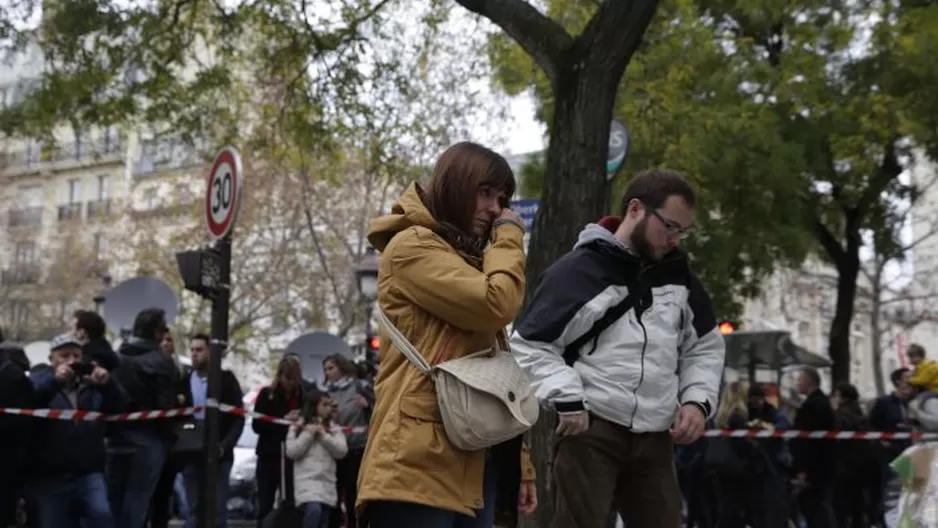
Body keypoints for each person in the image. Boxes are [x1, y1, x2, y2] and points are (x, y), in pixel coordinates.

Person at [511, 168, 725, 528]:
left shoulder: (680, 276)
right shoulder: (578, 272)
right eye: (669, 226)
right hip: (592, 429)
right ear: (636, 209)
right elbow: (528, 345)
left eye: (682, 231)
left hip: (656, 434)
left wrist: (696, 401)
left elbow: (704, 345)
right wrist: (567, 397)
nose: (675, 239)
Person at [358, 141, 537, 528]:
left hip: (473, 455)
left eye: (502, 198)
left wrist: (520, 464)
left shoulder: (468, 260)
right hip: (417, 461)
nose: (494, 208)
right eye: (485, 192)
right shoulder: (412, 246)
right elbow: (497, 303)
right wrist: (508, 238)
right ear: (455, 184)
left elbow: (495, 370)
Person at [28, 332, 127, 528]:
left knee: (102, 516)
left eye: (76, 355)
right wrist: (55, 382)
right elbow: (30, 402)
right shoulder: (38, 380)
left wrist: (107, 384)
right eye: (64, 356)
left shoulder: (91, 385)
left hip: (89, 471)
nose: (71, 361)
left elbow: (121, 407)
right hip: (51, 476)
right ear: (51, 359)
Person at [106, 308, 179, 528]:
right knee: (137, 502)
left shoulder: (118, 356)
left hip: (116, 436)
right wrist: (169, 438)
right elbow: (166, 407)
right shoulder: (160, 360)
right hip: (148, 437)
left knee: (114, 500)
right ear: (157, 332)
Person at [180, 333, 244, 528]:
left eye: (199, 350)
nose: (194, 354)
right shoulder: (184, 380)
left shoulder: (226, 380)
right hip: (191, 453)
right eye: (192, 350)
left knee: (217, 507)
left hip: (219, 454)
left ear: (210, 352)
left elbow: (238, 418)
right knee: (193, 507)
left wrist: (225, 446)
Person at [253, 355, 306, 527]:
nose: (290, 383)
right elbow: (257, 424)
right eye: (287, 378)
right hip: (269, 456)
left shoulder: (302, 395)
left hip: (293, 459)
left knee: (291, 503)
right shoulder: (267, 394)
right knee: (265, 502)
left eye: (294, 379)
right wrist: (282, 420)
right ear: (280, 375)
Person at [322, 354, 373, 528]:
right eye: (325, 369)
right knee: (333, 495)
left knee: (353, 494)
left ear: (342, 368)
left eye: (331, 368)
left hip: (356, 448)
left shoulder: (361, 386)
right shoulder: (325, 391)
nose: (327, 373)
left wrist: (368, 406)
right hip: (334, 449)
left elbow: (380, 412)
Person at [286, 392, 349, 528]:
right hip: (306, 482)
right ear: (314, 406)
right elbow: (292, 451)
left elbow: (341, 451)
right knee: (314, 511)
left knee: (323, 520)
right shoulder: (298, 425)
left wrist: (323, 436)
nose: (328, 408)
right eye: (324, 404)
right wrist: (308, 434)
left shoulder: (333, 427)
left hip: (327, 482)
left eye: (329, 405)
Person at [790, 367, 836, 528]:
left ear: (808, 381)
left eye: (799, 380)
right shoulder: (820, 403)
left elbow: (807, 442)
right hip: (820, 467)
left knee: (815, 509)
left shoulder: (813, 406)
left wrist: (803, 471)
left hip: (814, 470)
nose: (796, 383)